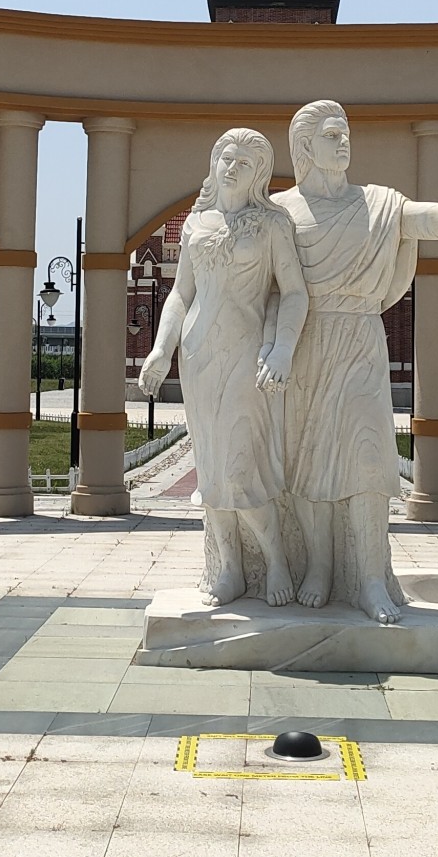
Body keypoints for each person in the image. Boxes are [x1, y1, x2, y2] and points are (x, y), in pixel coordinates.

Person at [276, 102, 438, 623]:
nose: (344, 143)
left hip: (361, 341)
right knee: (306, 463)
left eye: (347, 134)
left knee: (368, 463)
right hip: (303, 344)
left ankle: (368, 580)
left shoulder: (380, 206)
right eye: (332, 135)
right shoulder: (281, 212)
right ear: (304, 148)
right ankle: (319, 566)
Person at [140, 128, 309, 606]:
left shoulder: (273, 225)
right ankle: (230, 569)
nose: (232, 168)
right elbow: (179, 295)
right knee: (211, 471)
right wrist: (160, 349)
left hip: (246, 357)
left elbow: (293, 292)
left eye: (245, 163)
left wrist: (282, 349)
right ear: (215, 165)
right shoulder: (196, 224)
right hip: (198, 358)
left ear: (258, 175)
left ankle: (275, 559)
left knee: (240, 467)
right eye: (226, 159)